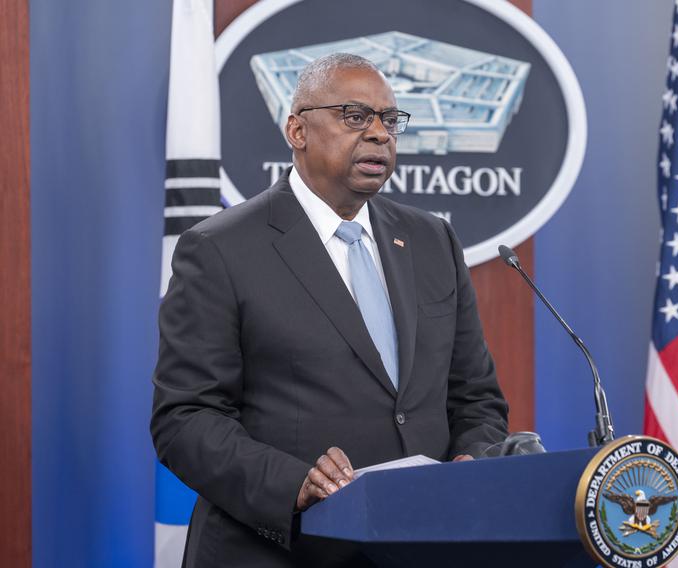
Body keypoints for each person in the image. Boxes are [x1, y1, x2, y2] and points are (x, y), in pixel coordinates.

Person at [150, 53, 509, 567]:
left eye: (390, 120)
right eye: (355, 116)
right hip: (279, 550)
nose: (380, 134)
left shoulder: (432, 240)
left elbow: (475, 397)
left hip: (419, 546)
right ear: (297, 130)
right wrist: (295, 483)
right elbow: (185, 417)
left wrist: (474, 458)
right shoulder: (220, 249)